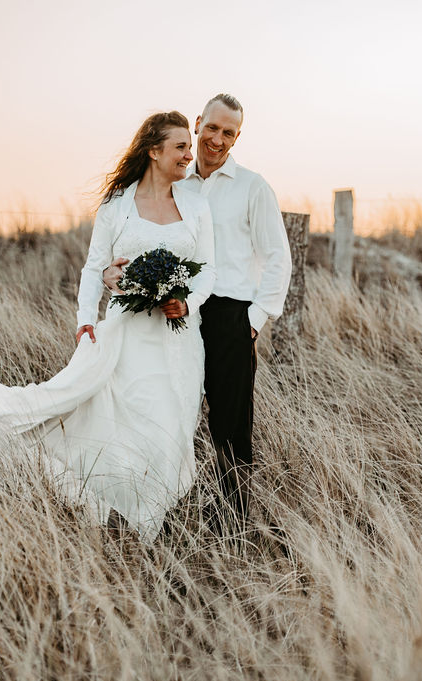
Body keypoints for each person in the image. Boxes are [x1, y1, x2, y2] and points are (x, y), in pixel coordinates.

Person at [0, 111, 215, 543]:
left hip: (179, 339)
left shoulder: (197, 205)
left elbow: (209, 273)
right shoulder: (118, 206)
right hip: (127, 336)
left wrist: (186, 301)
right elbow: (95, 269)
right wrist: (86, 319)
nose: (191, 153)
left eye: (189, 145)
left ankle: (146, 527)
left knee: (170, 431)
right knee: (119, 425)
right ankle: (123, 523)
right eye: (181, 146)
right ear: (154, 150)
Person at [104, 94, 291, 535]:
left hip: (230, 316)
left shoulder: (252, 186)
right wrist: (118, 272)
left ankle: (233, 528)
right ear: (197, 123)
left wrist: (255, 319)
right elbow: (146, 238)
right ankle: (156, 515)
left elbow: (278, 257)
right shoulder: (177, 184)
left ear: (237, 137)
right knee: (167, 412)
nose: (217, 139)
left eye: (229, 132)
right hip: (174, 312)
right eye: (212, 128)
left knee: (230, 425)